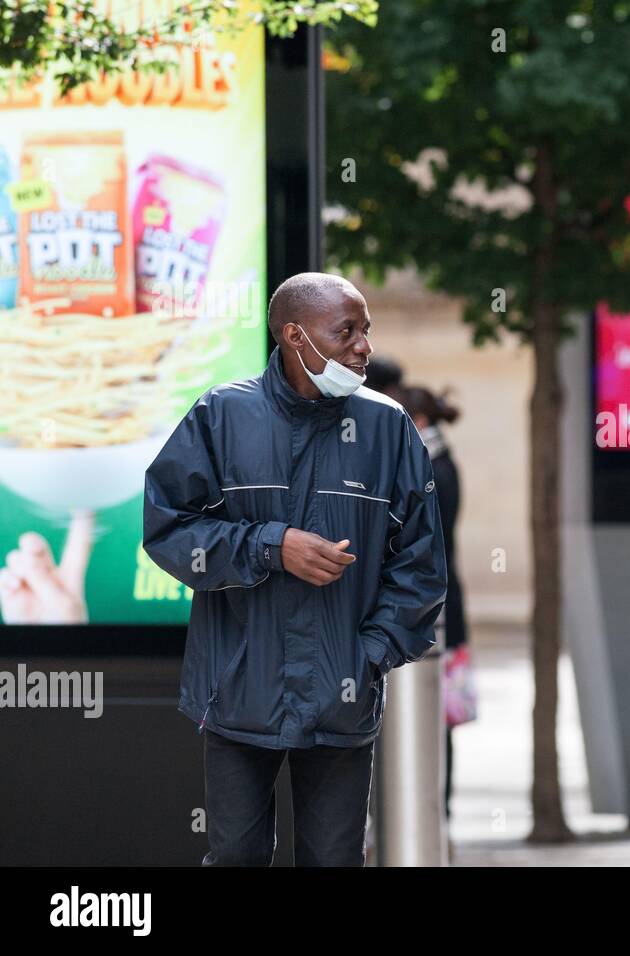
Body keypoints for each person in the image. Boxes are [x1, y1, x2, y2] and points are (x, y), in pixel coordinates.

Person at [143, 272, 448, 866]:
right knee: (234, 858)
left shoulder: (387, 427)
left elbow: (422, 563)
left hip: (343, 693)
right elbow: (167, 528)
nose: (364, 346)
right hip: (236, 691)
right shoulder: (222, 414)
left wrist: (371, 654)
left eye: (367, 330)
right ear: (293, 335)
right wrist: (270, 547)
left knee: (334, 860)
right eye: (347, 332)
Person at [401, 384, 474, 820]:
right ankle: (434, 809)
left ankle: (436, 810)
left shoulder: (432, 467)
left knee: (437, 714)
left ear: (420, 421)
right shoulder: (437, 460)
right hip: (443, 606)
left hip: (438, 610)